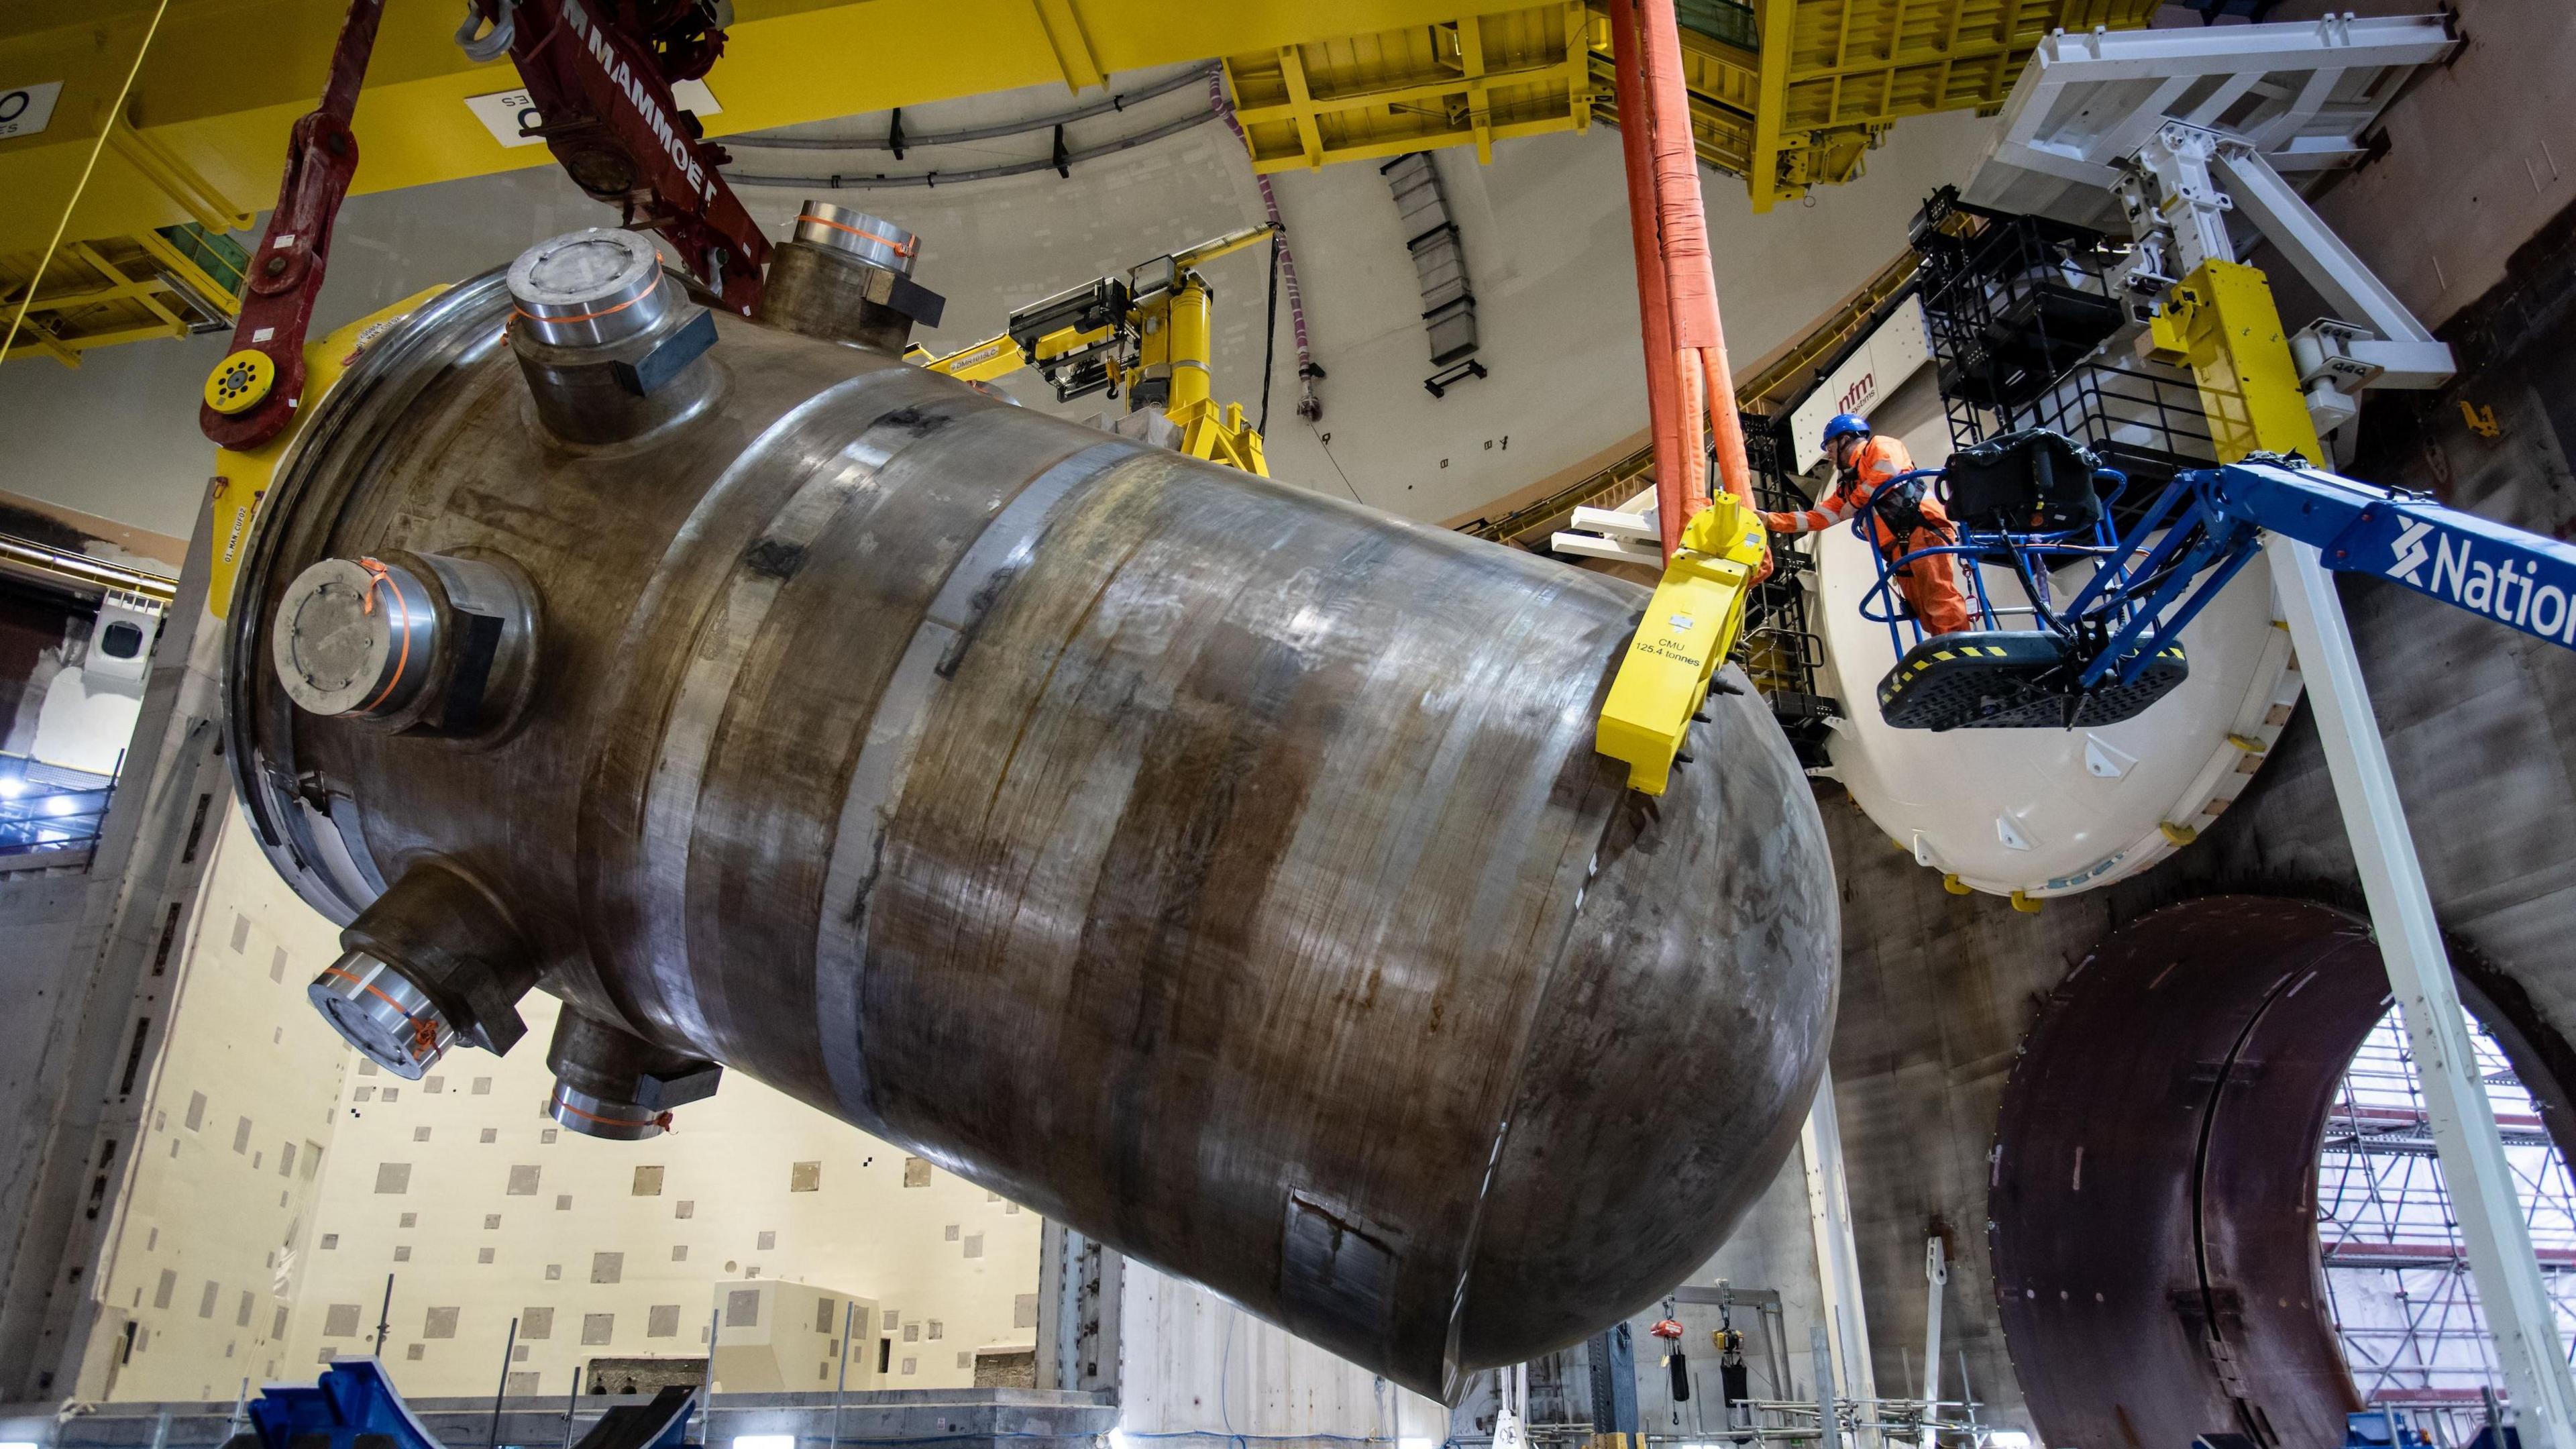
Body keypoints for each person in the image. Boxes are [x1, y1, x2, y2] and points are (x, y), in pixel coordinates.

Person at [1760, 413, 1971, 637]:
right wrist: (1770, 520)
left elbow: (1888, 470)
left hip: (1923, 530)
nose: (1830, 456)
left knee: (1939, 598)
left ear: (1846, 439)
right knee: (1924, 613)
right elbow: (1817, 518)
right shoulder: (1849, 485)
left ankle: (1963, 649)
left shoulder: (1880, 446)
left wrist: (1855, 502)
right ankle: (1946, 651)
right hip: (1898, 549)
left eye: (1830, 448)